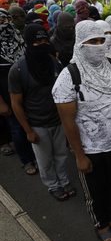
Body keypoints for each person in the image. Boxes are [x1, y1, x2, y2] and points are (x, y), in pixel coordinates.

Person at [52, 20, 111, 241]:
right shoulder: (69, 77)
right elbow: (68, 121)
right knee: (95, 191)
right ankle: (101, 224)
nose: (99, 46)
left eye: (101, 41)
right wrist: (79, 155)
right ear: (80, 44)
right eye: (92, 42)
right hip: (91, 148)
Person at [9, 23, 75, 201]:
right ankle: (53, 185)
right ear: (28, 43)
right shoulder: (18, 70)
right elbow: (16, 104)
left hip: (58, 120)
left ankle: (63, 180)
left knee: (61, 155)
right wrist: (28, 131)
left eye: (46, 40)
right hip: (37, 124)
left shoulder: (54, 63)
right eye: (37, 42)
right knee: (45, 160)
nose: (43, 44)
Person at [0, 8, 38, 175]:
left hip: (27, 93)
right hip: (7, 96)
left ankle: (35, 155)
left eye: (7, 20)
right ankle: (26, 159)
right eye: (1, 22)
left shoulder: (19, 39)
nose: (5, 25)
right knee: (17, 129)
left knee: (30, 126)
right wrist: (0, 102)